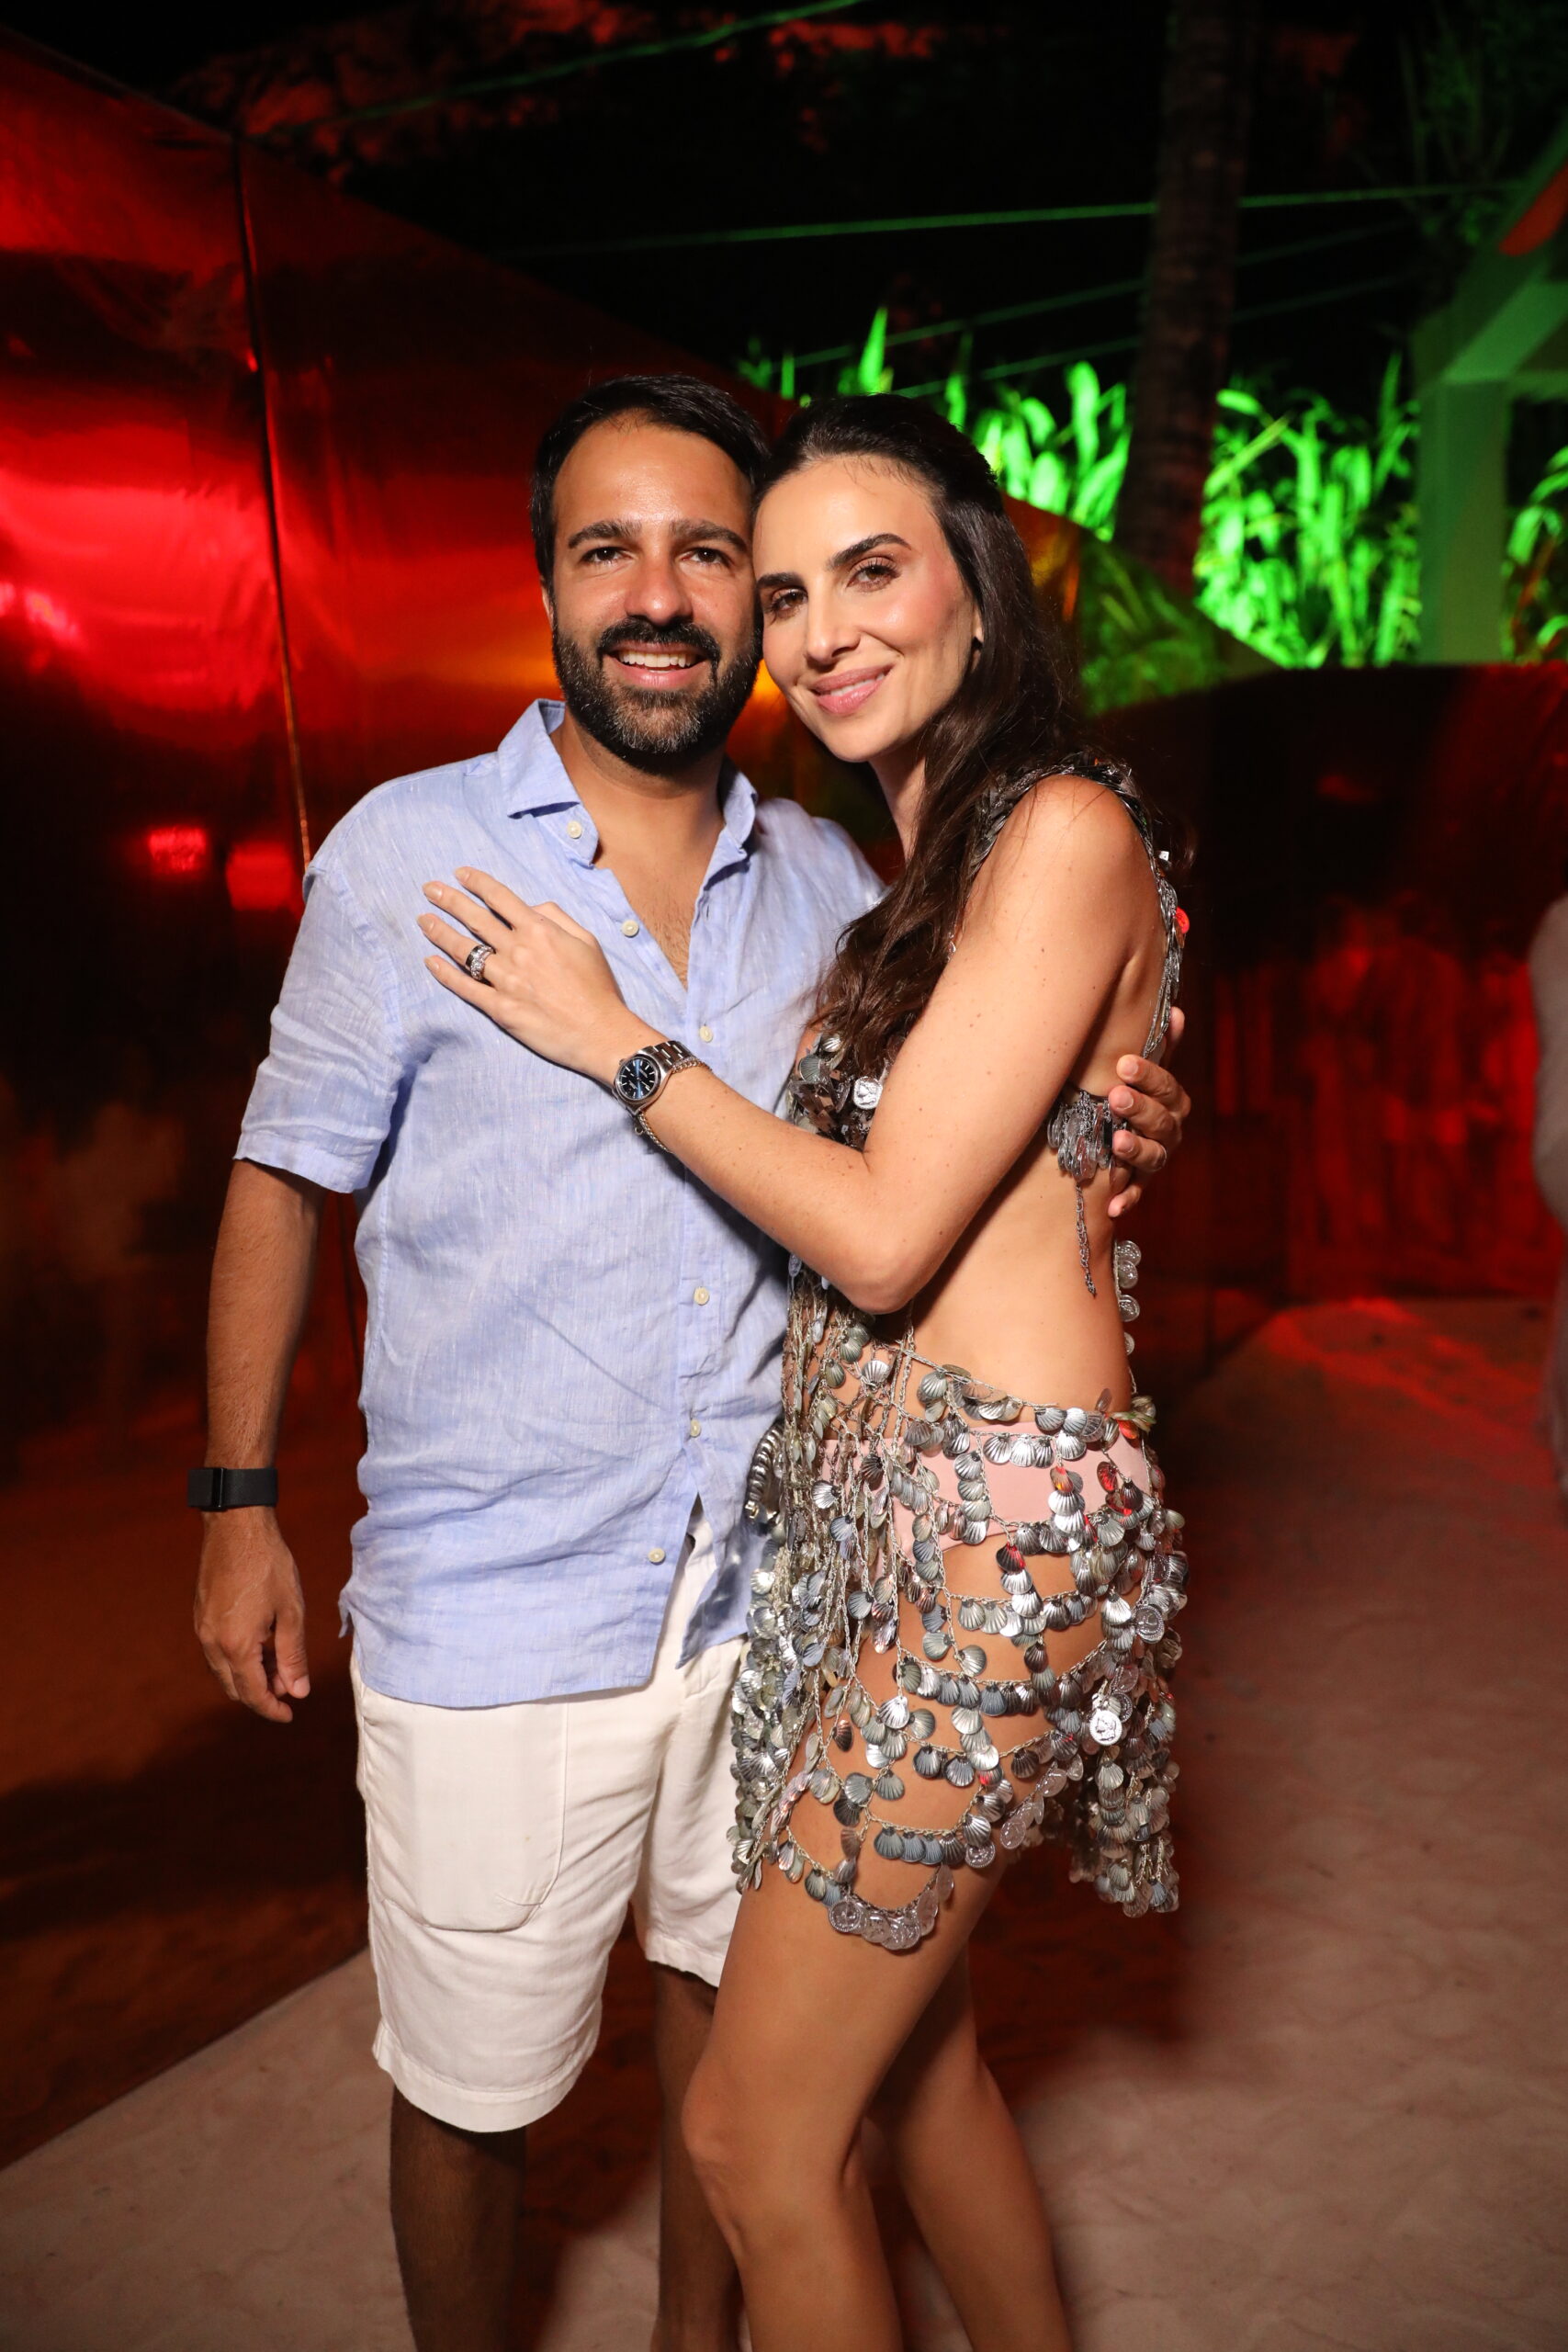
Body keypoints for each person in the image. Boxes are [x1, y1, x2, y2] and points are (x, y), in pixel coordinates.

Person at [193, 375, 1189, 2352]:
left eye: (726, 558)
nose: (675, 597)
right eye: (608, 550)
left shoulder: (846, 874)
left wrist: (1106, 1108)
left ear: (968, 586)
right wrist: (235, 1502)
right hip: (517, 1590)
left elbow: (920, 1182)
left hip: (803, 1581)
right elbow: (280, 1173)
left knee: (749, 2097)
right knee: (509, 2081)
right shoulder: (414, 853)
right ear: (546, 586)